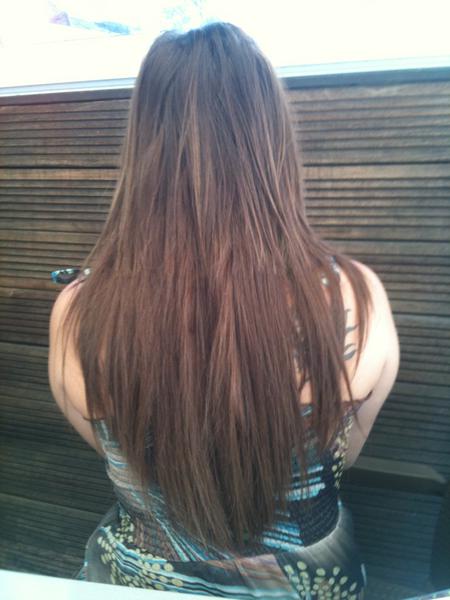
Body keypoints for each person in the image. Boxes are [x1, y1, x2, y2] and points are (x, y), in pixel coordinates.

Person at [48, 21, 399, 599]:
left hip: (140, 582)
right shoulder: (358, 297)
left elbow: (117, 452)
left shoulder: (78, 313)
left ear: (142, 147)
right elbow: (340, 456)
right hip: (308, 585)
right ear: (273, 141)